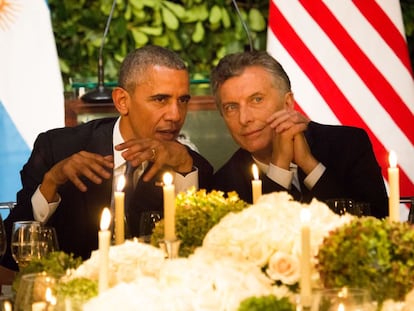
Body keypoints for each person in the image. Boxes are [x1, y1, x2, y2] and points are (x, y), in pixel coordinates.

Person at [0, 45, 214, 275]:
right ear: (122, 101)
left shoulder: (190, 166)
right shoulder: (58, 148)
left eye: (182, 100)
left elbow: (201, 253)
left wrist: (183, 167)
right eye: (160, 99)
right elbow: (9, 254)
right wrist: (51, 183)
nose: (175, 115)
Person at [210, 50, 388, 218]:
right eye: (231, 107)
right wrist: (279, 168)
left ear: (287, 103)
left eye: (256, 99)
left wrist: (309, 164)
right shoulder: (223, 187)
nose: (244, 118)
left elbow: (376, 223)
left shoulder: (349, 144)